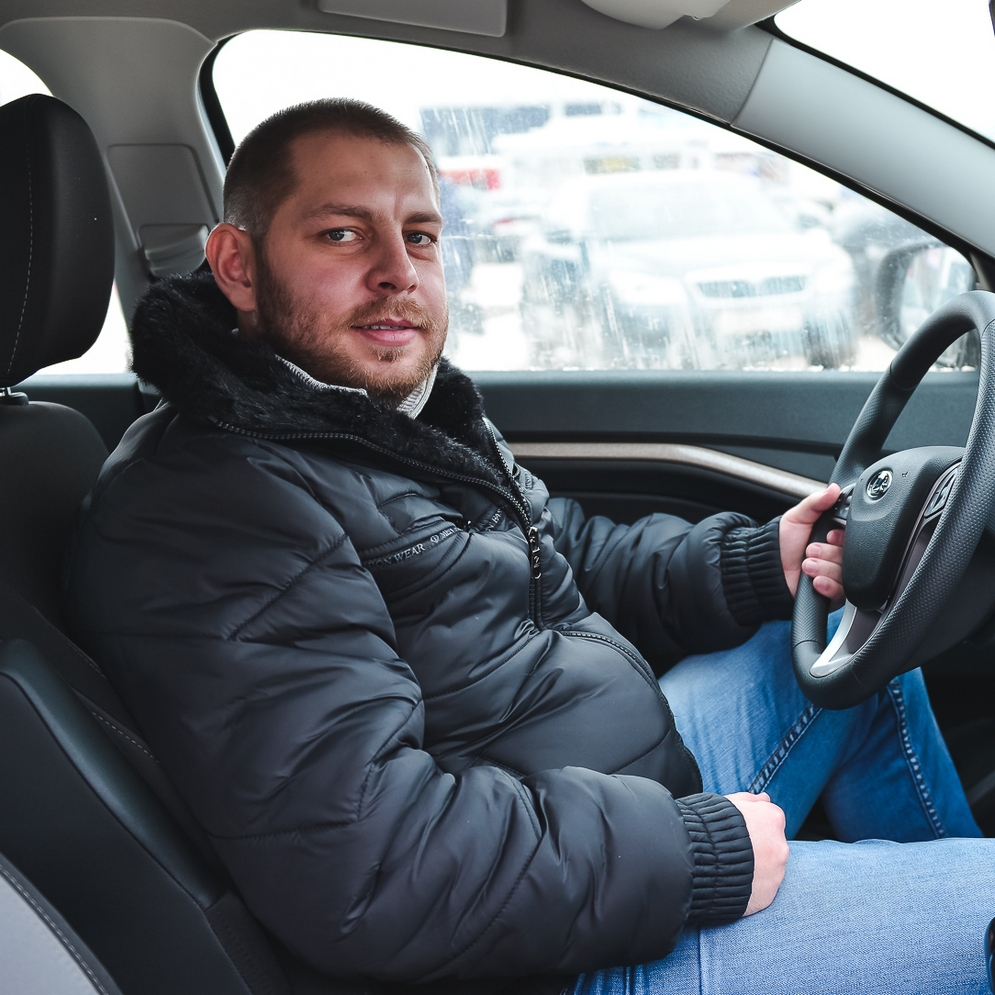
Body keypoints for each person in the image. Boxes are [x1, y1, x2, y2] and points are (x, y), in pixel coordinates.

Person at [65, 99, 995, 995]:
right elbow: (370, 868)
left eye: (420, 236)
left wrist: (762, 563)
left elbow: (561, 558)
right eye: (343, 234)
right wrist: (692, 854)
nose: (397, 270)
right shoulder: (212, 506)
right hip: (545, 954)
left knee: (847, 639)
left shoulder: (372, 421)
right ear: (236, 263)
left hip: (593, 817)